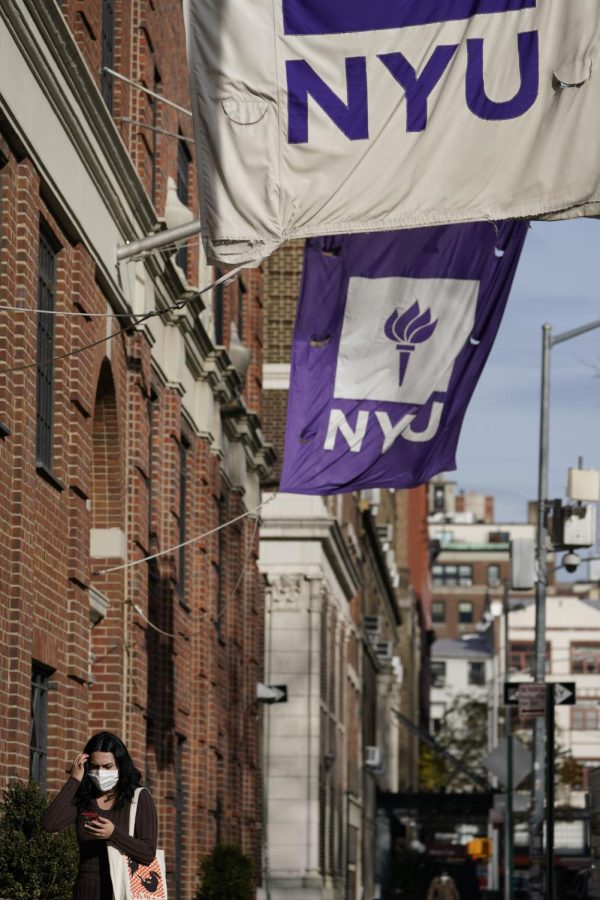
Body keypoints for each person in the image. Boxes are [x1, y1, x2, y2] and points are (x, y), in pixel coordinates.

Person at [42, 731, 158, 900]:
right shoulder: (84, 798)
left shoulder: (138, 798)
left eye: (107, 766)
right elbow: (49, 824)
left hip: (124, 889)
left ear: (120, 765)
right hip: (86, 891)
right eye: (95, 766)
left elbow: (148, 853)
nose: (100, 772)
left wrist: (113, 834)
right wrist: (74, 780)